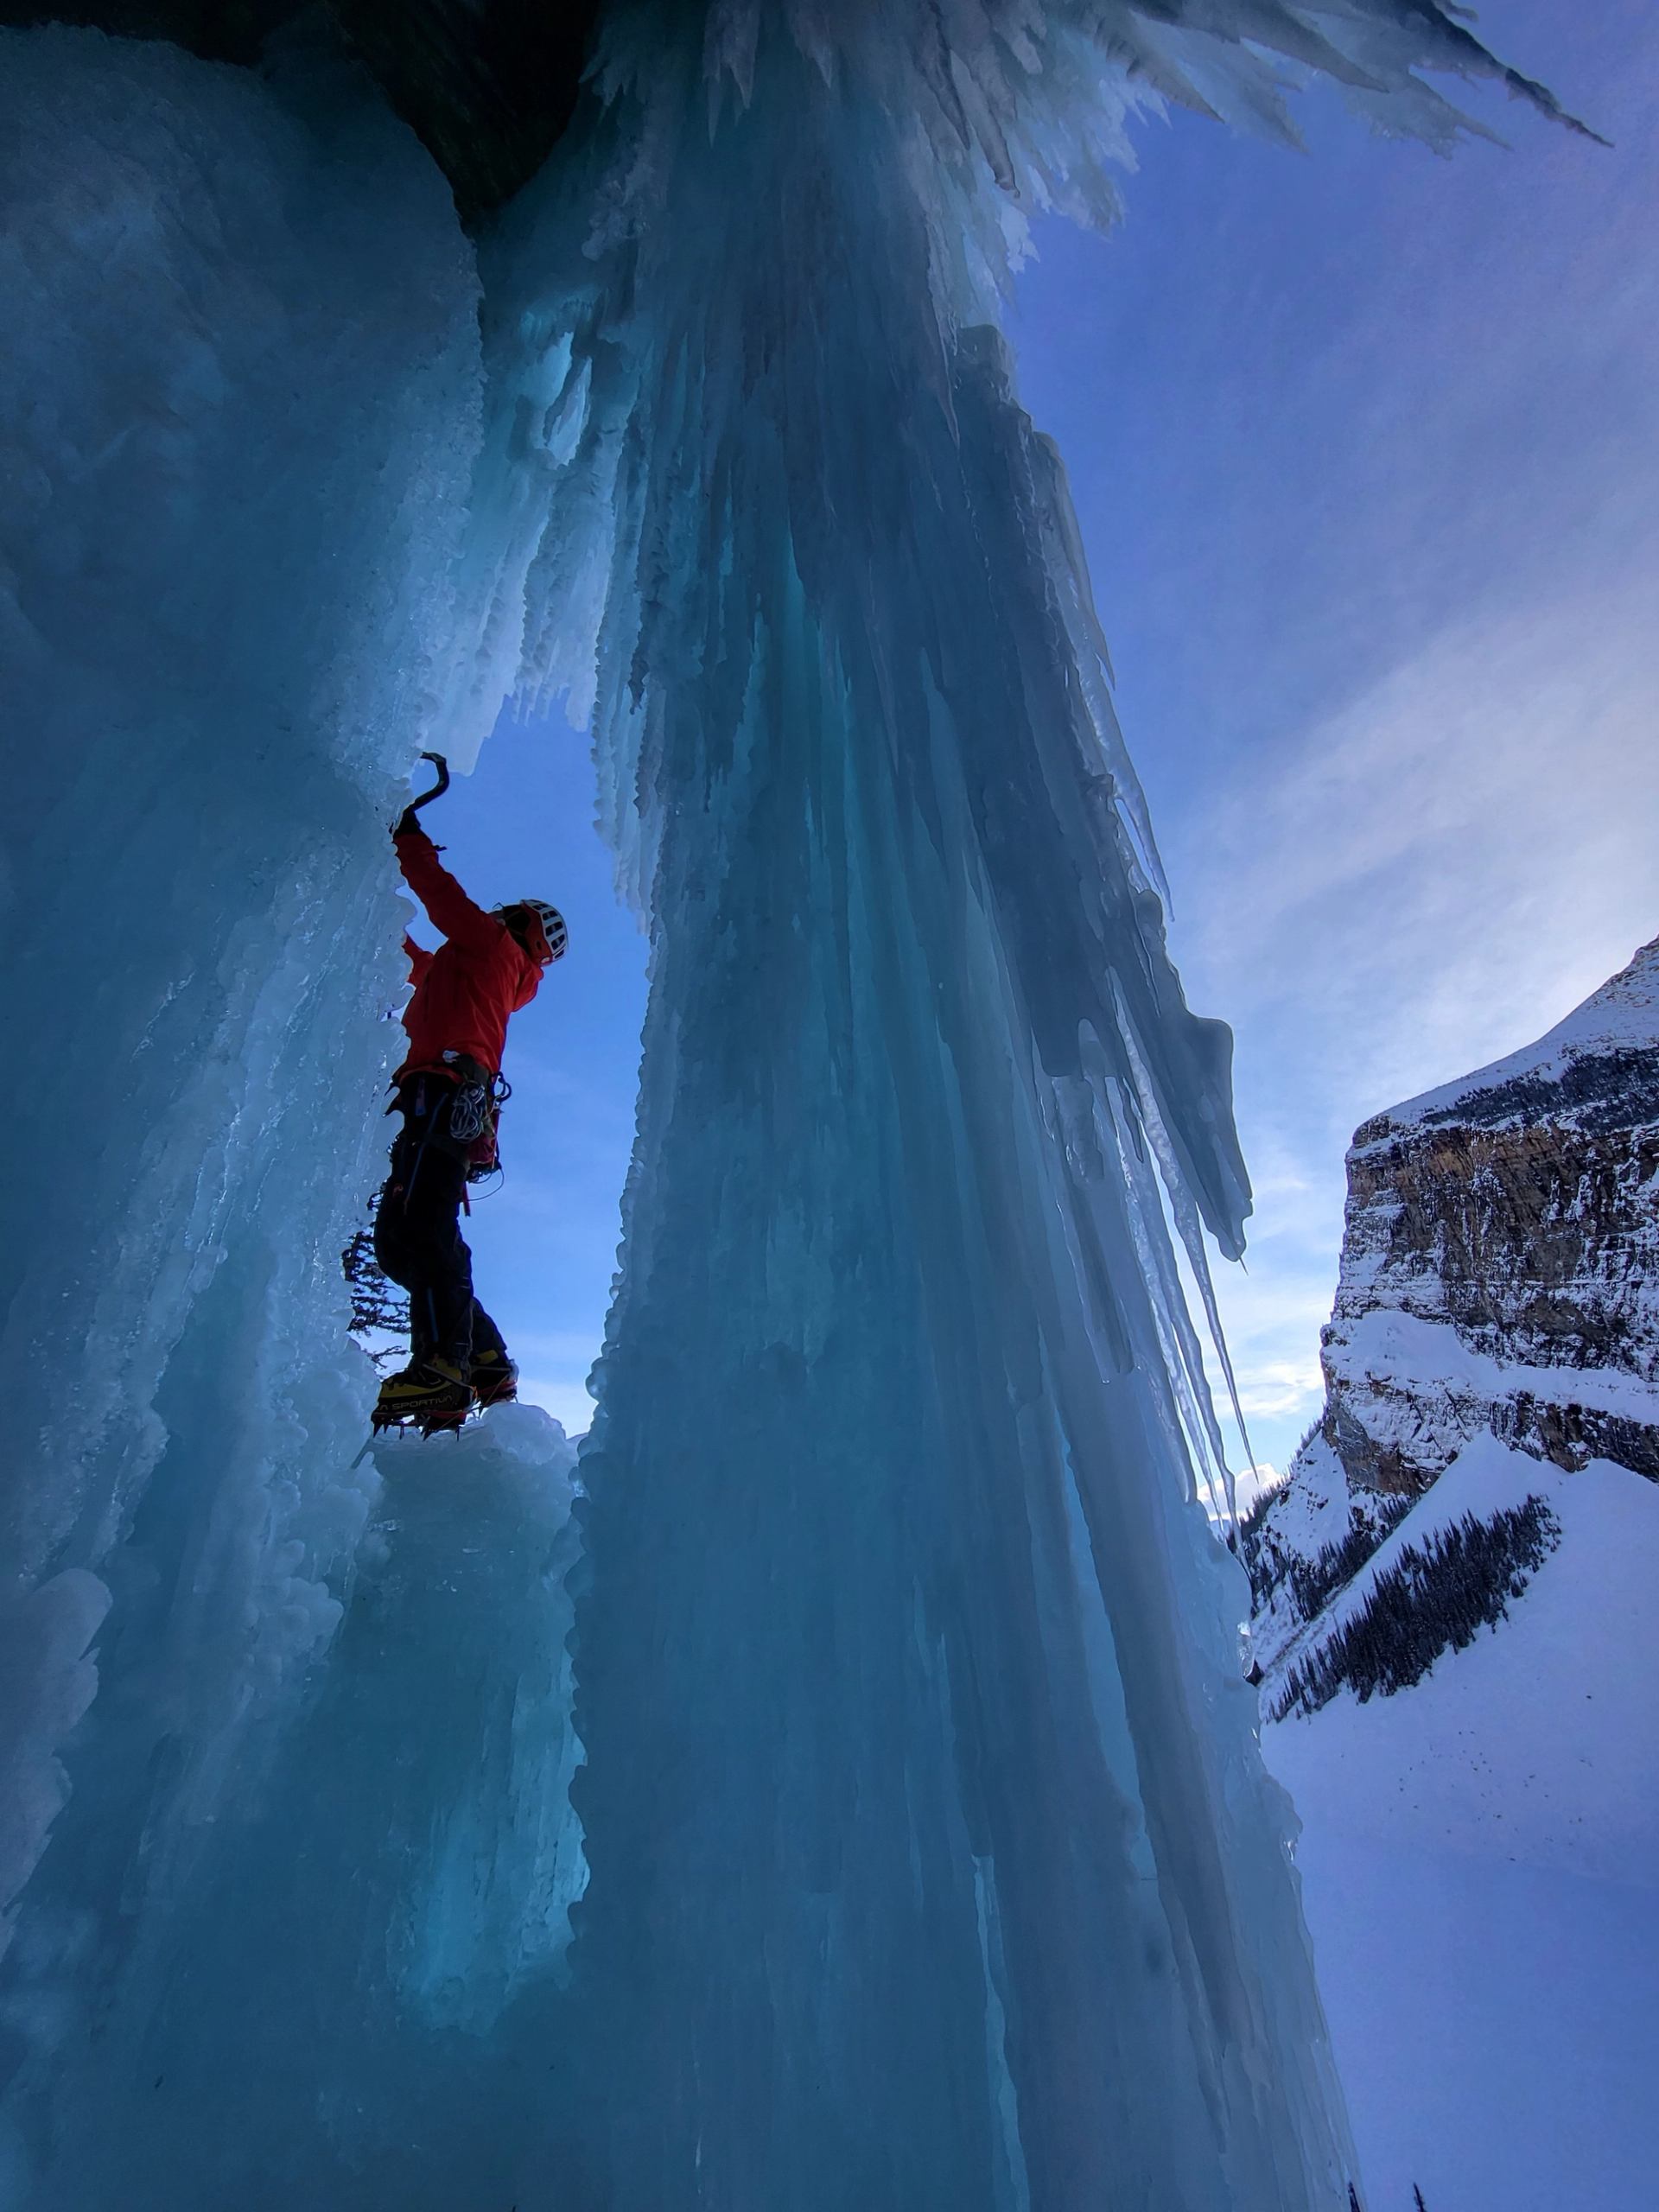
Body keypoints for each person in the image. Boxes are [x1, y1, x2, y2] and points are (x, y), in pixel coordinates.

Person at [371, 797, 566, 1430]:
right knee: (401, 1245)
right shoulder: (468, 964)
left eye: (509, 912)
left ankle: (442, 1368)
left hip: (447, 1090)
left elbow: (440, 895)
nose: (497, 911)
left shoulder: (490, 948)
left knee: (423, 1226)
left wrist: (407, 840)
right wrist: (371, 911)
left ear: (519, 925)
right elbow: (414, 964)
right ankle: (482, 1357)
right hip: (438, 1094)